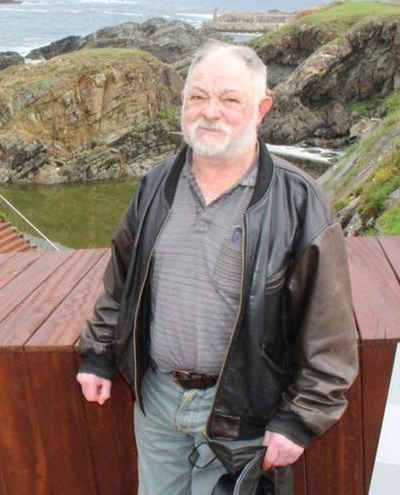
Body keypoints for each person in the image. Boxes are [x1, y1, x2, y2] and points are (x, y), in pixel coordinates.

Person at [76, 40, 358, 495]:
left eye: (230, 99)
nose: (211, 112)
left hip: (245, 410)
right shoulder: (154, 185)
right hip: (157, 401)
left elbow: (329, 329)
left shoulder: (299, 200)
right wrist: (99, 355)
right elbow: (122, 281)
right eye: (198, 97)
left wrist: (300, 417)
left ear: (261, 109)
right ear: (183, 103)